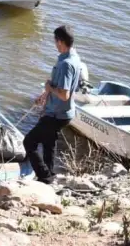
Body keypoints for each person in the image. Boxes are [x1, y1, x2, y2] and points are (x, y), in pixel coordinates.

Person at [23, 25, 83, 184]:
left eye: (55, 41)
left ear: (61, 42)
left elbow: (64, 94)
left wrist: (49, 88)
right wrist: (45, 94)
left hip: (57, 114)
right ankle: (50, 175)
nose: (55, 44)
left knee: (29, 142)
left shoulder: (66, 64)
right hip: (63, 112)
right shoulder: (73, 57)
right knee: (49, 144)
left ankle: (44, 177)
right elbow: (60, 86)